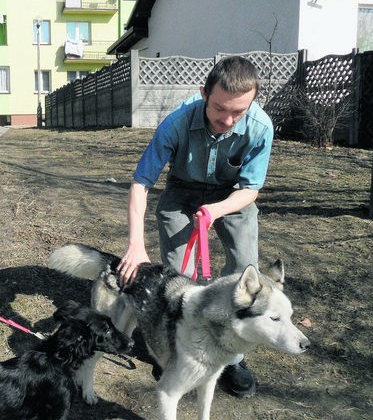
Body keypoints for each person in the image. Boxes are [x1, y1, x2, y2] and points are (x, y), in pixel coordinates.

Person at [116, 56, 273, 398]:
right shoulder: (175, 124)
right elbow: (141, 183)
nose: (228, 120)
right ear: (204, 94)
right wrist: (135, 245)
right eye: (220, 108)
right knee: (178, 275)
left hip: (232, 196)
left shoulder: (261, 128)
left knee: (245, 272)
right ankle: (177, 347)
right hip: (182, 190)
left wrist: (216, 210)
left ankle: (234, 357)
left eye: (239, 112)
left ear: (252, 102)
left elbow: (250, 189)